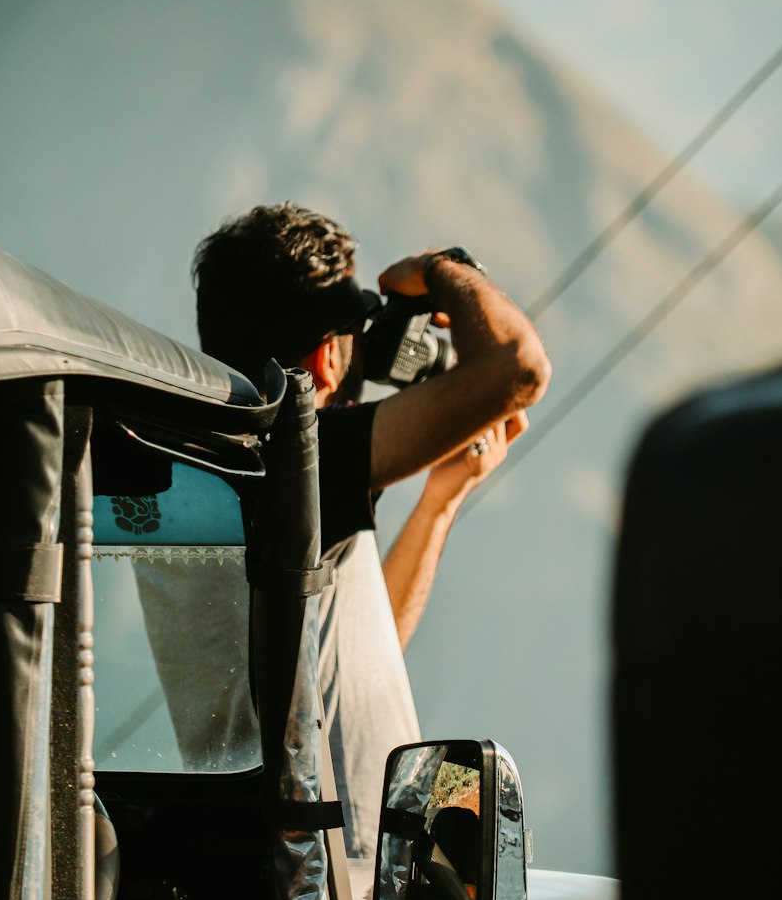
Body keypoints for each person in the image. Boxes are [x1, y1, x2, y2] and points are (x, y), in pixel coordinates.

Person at [191, 203, 550, 856]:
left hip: (315, 867)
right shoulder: (297, 463)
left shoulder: (216, 464)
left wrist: (440, 502)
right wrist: (444, 270)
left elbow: (356, 644)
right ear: (328, 356)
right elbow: (517, 369)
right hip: (331, 897)